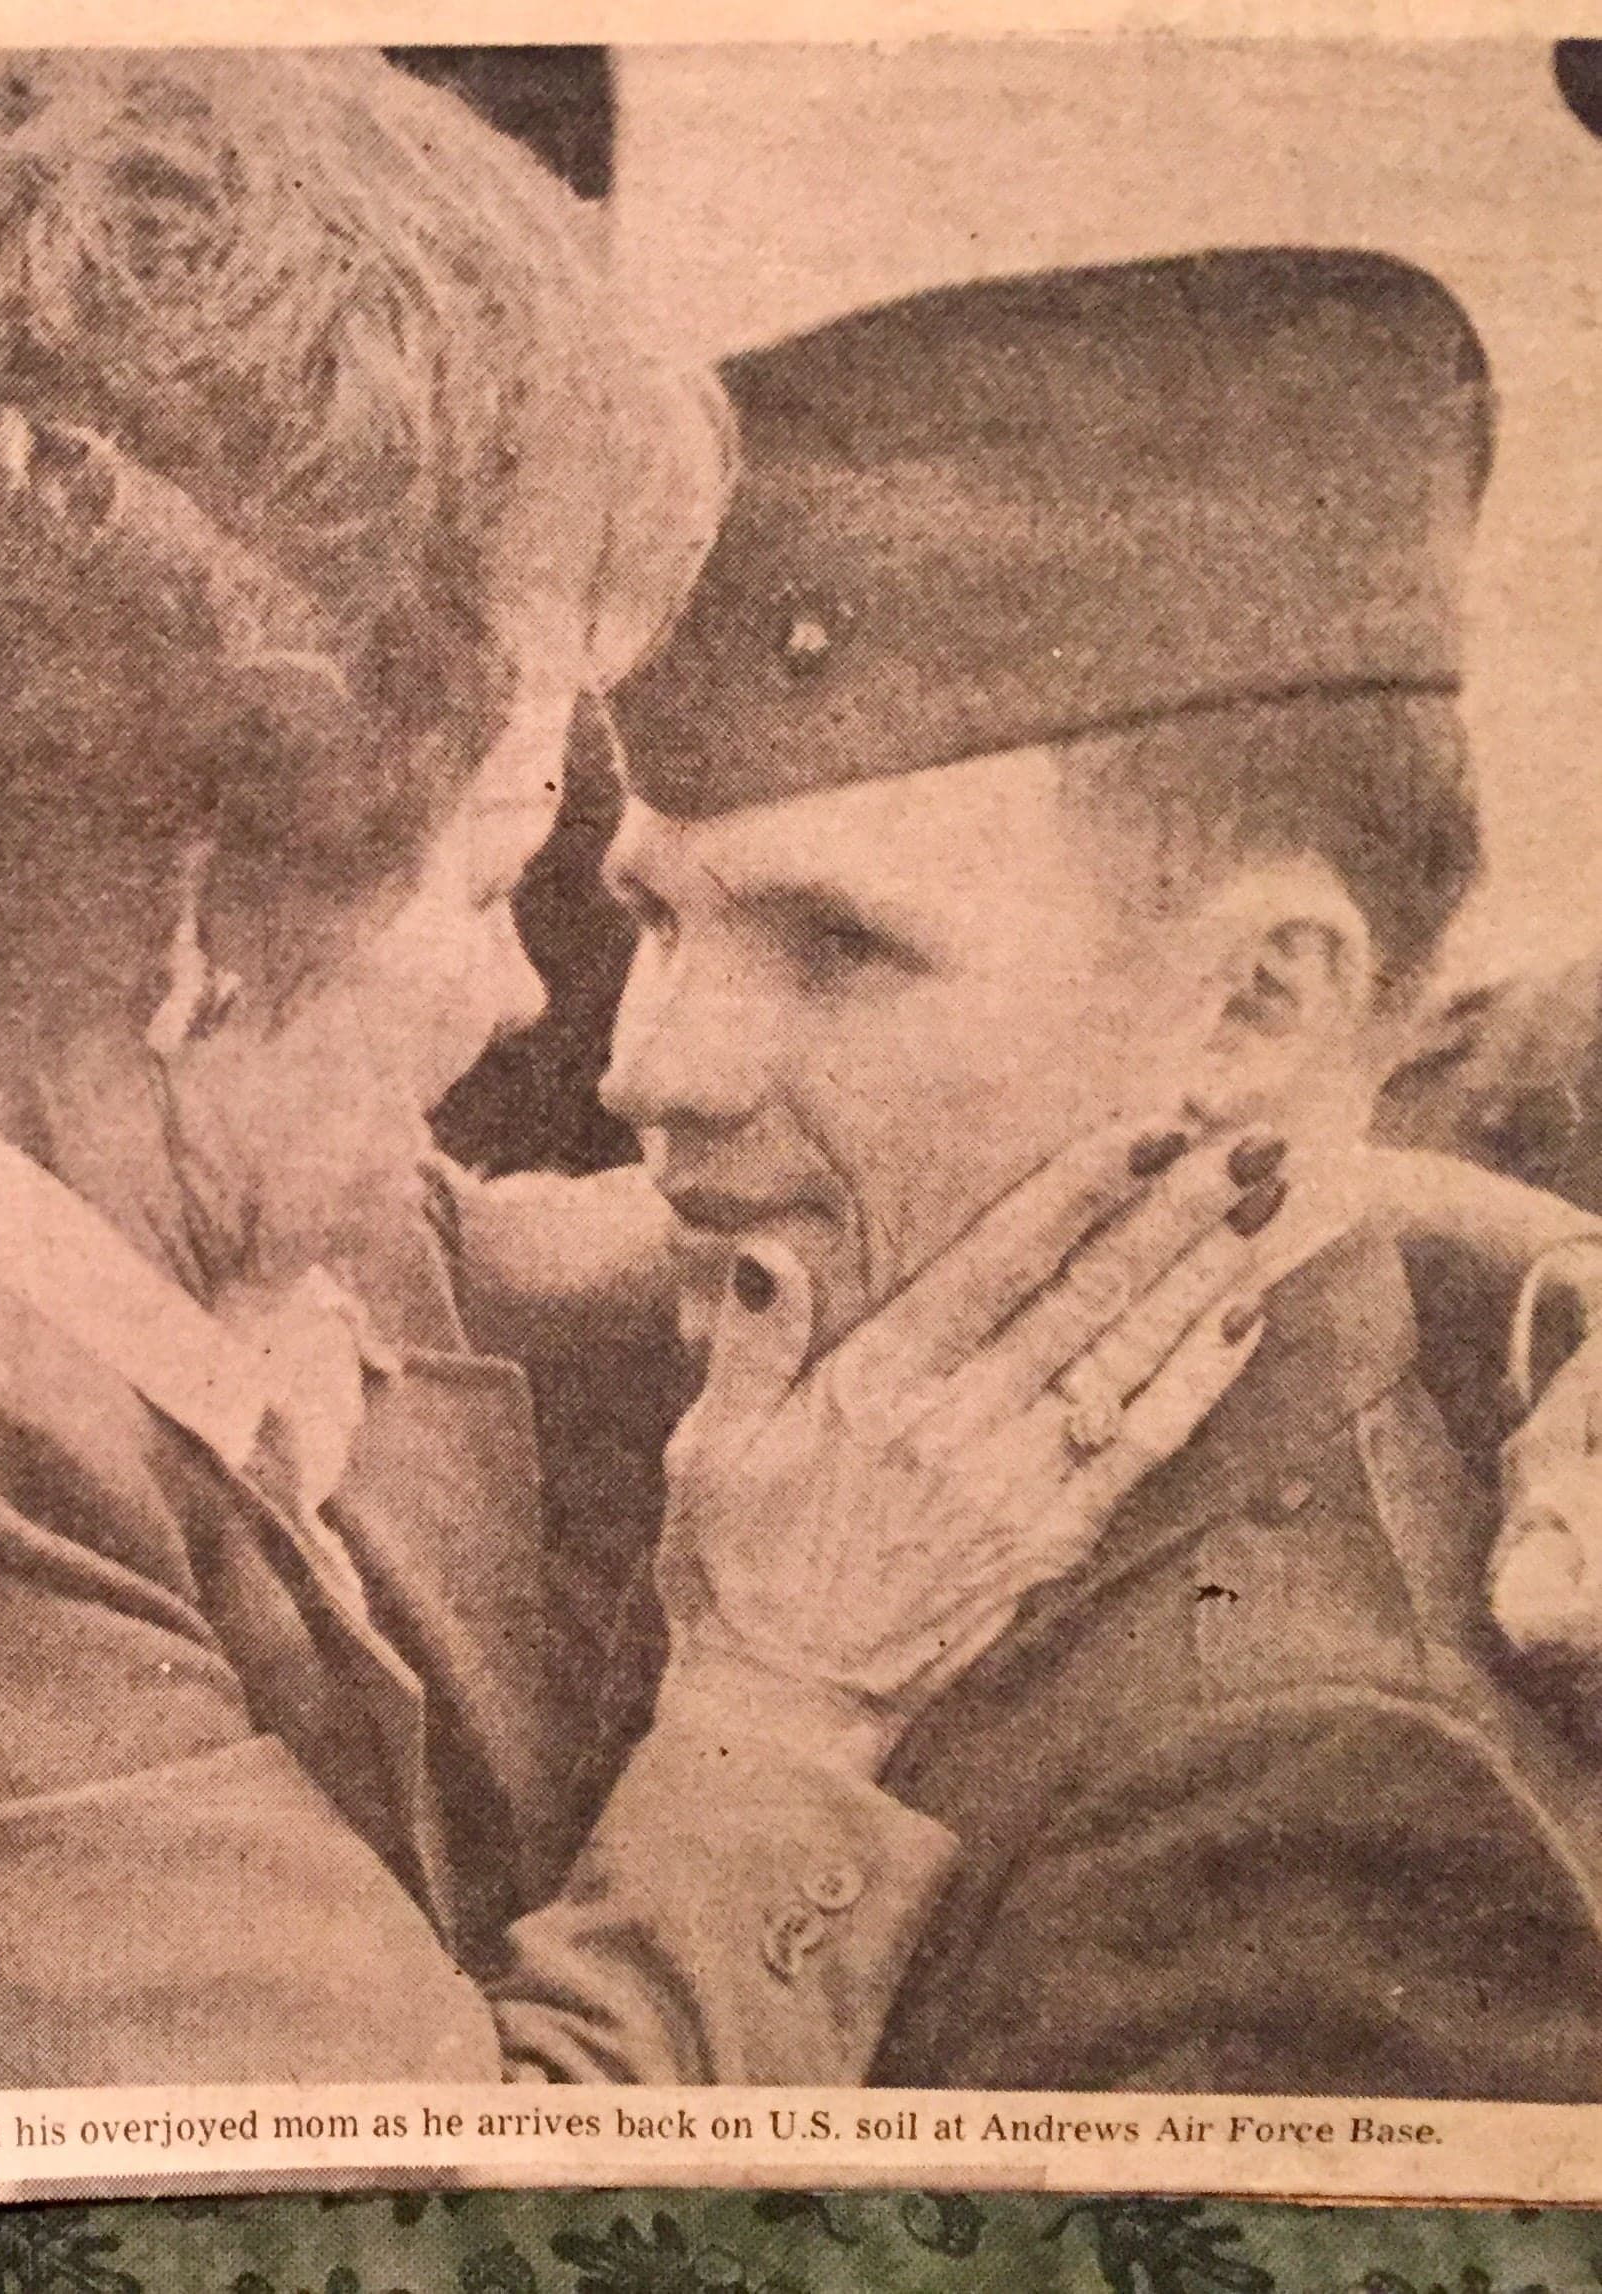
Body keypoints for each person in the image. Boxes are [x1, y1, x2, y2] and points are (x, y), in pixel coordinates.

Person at [0, 52, 1291, 2108]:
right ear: (196, 917)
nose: (511, 998)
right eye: (493, 878)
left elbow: (497, 1262)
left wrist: (1476, 1267)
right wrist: (789, 1689)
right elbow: (469, 2218)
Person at [592, 246, 1602, 2096]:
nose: (646, 1064)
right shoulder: (739, 1386)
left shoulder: (1323, 1799)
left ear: (1256, 1001)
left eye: (835, 947)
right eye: (651, 920)